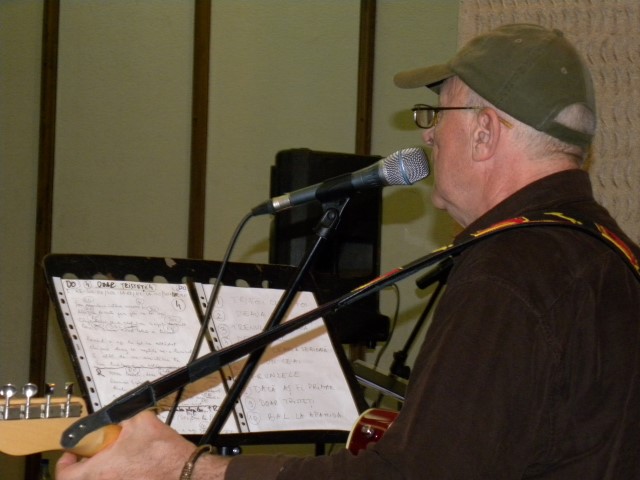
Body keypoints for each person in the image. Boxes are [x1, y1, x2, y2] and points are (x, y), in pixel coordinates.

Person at [56, 23, 640, 480]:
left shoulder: (509, 272)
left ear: (485, 132)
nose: (428, 134)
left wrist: (187, 468)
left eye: (437, 114)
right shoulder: (614, 257)